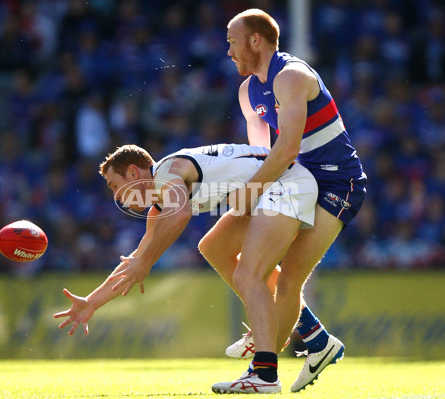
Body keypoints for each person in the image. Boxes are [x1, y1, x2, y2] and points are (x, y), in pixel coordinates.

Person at [54, 143, 318, 393]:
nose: (118, 198)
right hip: (270, 189)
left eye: (115, 186)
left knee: (249, 275)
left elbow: (180, 214)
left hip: (288, 183)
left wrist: (145, 262)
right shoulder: (159, 202)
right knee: (213, 248)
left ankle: (265, 373)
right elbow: (137, 259)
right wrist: (92, 302)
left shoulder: (167, 172)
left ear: (134, 172)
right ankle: (313, 334)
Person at [203, 9, 367, 394]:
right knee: (215, 246)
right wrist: (235, 188)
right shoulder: (248, 90)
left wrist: (247, 194)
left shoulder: (291, 76)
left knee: (288, 276)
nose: (228, 51)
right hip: (296, 179)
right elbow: (262, 153)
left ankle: (265, 367)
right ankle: (312, 338)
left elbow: (286, 148)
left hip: (335, 183)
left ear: (255, 40)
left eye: (232, 41)